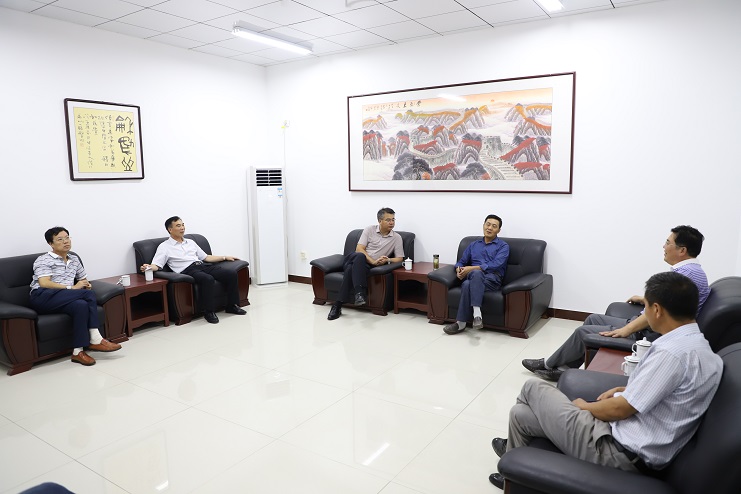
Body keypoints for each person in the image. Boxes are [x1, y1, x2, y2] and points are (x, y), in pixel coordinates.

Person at [488, 271, 723, 489]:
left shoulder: (671, 354)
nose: (645, 313)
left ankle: (517, 468)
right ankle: (515, 478)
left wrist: (584, 407)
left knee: (532, 387)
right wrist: (625, 389)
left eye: (646, 307)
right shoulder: (700, 348)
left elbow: (619, 410)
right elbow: (666, 393)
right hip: (628, 440)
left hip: (615, 451)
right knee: (520, 415)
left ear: (657, 310)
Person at [522, 225, 709, 381]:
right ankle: (563, 368)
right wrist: (645, 299)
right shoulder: (691, 271)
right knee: (593, 319)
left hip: (649, 333)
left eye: (668, 243)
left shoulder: (686, 276)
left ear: (682, 250)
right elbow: (669, 303)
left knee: (582, 331)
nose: (663, 246)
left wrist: (626, 330)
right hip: (648, 325)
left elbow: (659, 313)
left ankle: (548, 364)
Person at [29, 227, 122, 366]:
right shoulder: (43, 260)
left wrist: (86, 284)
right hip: (42, 297)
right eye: (60, 239)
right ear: (51, 244)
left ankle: (78, 352)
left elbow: (83, 279)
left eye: (67, 238)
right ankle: (96, 338)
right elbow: (44, 283)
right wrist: (72, 288)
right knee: (88, 295)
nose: (65, 241)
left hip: (63, 297)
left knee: (81, 305)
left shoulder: (74, 259)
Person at [140, 216, 246, 324]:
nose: (182, 228)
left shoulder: (190, 242)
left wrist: (224, 257)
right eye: (178, 226)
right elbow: (157, 264)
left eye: (183, 225)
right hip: (187, 270)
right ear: (170, 230)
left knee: (231, 273)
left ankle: (232, 306)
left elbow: (206, 257)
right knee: (207, 279)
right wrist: (148, 267)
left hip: (202, 265)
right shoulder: (164, 246)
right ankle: (209, 312)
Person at [327, 207, 404, 321]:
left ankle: (337, 306)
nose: (391, 222)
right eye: (388, 220)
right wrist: (373, 261)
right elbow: (359, 249)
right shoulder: (369, 230)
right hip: (354, 258)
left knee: (350, 270)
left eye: (393, 219)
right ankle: (360, 292)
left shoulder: (396, 238)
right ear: (380, 221)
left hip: (364, 266)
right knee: (360, 256)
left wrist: (388, 260)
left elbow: (400, 258)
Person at [443, 214, 509, 335]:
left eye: (494, 226)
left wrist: (473, 268)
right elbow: (461, 262)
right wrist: (458, 269)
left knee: (467, 284)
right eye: (488, 224)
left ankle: (461, 323)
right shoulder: (474, 245)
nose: (490, 228)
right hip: (474, 276)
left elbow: (496, 264)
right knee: (475, 275)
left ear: (498, 230)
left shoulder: (503, 246)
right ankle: (477, 316)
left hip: (492, 279)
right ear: (483, 225)